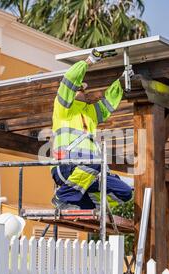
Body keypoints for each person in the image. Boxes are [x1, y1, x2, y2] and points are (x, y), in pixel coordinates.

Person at [50, 49, 133, 210]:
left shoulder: (91, 113)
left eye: (82, 89)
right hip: (66, 168)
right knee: (94, 163)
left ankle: (87, 207)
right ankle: (63, 196)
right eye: (79, 89)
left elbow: (110, 100)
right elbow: (69, 80)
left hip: (88, 171)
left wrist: (123, 79)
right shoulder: (63, 109)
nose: (82, 90)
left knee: (125, 192)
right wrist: (89, 61)